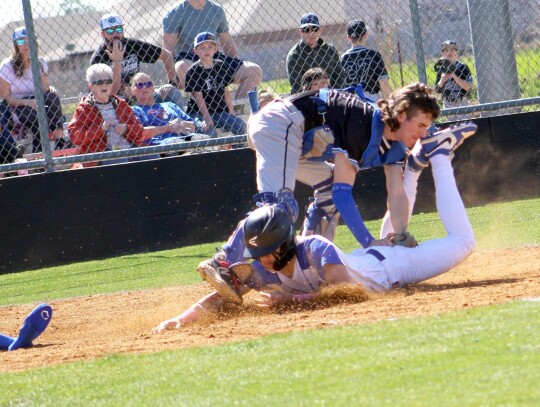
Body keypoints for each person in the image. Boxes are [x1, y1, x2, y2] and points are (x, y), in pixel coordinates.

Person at [153, 137, 476, 330]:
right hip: (365, 259)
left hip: (392, 268)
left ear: (283, 246)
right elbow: (224, 297)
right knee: (395, 230)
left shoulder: (316, 250)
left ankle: (439, 157)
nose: (261, 261)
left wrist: (288, 301)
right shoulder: (267, 269)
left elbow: (348, 293)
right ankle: (414, 167)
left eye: (265, 252)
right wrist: (183, 318)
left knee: (463, 242)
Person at [162, 0, 262, 100]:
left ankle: (237, 111)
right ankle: (200, 110)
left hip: (213, 55)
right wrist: (172, 80)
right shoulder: (175, 13)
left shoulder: (216, 9)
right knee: (182, 66)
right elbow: (167, 49)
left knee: (254, 70)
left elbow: (226, 41)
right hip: (188, 57)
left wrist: (234, 68)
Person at [89, 14, 183, 107]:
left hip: (139, 94)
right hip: (114, 103)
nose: (115, 34)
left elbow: (166, 55)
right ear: (102, 34)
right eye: (110, 31)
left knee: (172, 92)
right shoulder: (98, 58)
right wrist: (117, 62)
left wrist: (172, 83)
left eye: (118, 30)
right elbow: (108, 95)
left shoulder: (132, 45)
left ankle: (180, 120)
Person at [0, 27, 65, 153]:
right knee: (37, 115)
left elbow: (44, 88)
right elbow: (6, 98)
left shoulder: (40, 62)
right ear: (15, 45)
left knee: (53, 97)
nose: (26, 44)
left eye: (29, 40)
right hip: (17, 105)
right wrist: (28, 103)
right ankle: (39, 154)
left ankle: (60, 141)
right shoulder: (7, 65)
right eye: (20, 41)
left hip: (37, 100)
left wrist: (49, 89)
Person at [68, 64, 148, 161]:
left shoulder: (120, 103)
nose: (104, 85)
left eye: (108, 81)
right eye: (99, 82)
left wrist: (126, 128)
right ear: (91, 86)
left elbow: (139, 130)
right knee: (120, 161)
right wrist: (99, 130)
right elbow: (76, 136)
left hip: (128, 148)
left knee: (153, 156)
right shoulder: (84, 108)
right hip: (102, 153)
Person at [184, 32, 246, 135]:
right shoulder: (194, 71)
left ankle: (235, 149)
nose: (206, 51)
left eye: (210, 47)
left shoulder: (221, 66)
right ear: (195, 50)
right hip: (198, 113)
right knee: (210, 132)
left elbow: (225, 90)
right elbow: (198, 98)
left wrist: (230, 110)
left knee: (240, 126)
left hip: (219, 111)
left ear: (215, 49)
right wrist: (207, 119)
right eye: (202, 48)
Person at [130, 72, 213, 146]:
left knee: (205, 139)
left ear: (153, 87)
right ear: (132, 90)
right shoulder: (134, 110)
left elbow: (193, 126)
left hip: (185, 137)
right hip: (163, 143)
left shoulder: (170, 105)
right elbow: (140, 133)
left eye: (148, 84)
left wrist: (181, 123)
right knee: (178, 143)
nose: (145, 87)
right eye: (140, 85)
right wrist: (167, 128)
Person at [286, 13, 345, 95]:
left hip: (331, 96)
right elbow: (297, 87)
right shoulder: (295, 55)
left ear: (320, 30)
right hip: (307, 100)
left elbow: (340, 77)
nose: (311, 33)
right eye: (306, 30)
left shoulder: (330, 50)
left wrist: (333, 96)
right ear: (300, 32)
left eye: (314, 28)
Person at [340, 20, 392, 100]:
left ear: (348, 37)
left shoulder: (343, 58)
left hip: (352, 101)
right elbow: (383, 83)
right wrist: (387, 104)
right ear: (365, 36)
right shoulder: (374, 55)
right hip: (371, 100)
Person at [434, 40, 473, 119]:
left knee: (464, 127)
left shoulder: (463, 67)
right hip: (448, 103)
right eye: (446, 50)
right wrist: (442, 80)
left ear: (456, 53)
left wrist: (453, 75)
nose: (449, 52)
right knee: (451, 127)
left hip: (461, 102)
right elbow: (437, 90)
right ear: (443, 53)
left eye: (452, 49)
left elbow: (467, 87)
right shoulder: (441, 69)